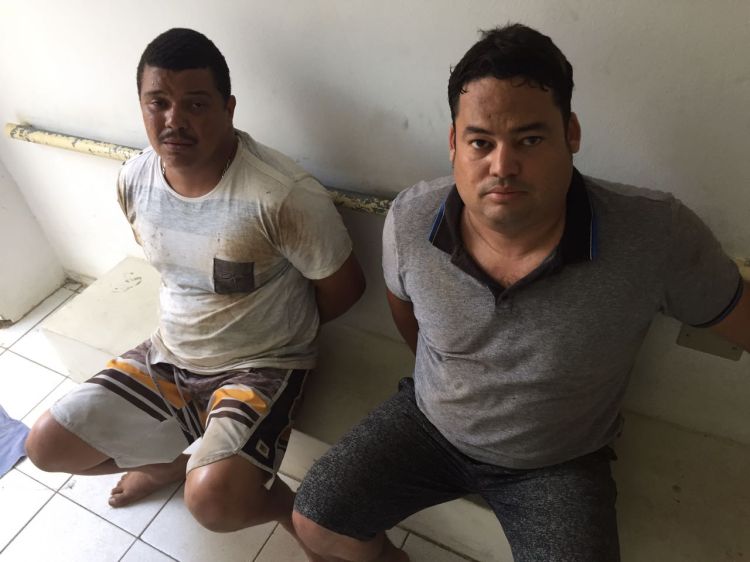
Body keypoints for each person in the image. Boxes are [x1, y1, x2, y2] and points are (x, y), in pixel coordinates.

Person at [292, 23, 750, 562]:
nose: (503, 166)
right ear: (454, 144)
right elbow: (406, 310)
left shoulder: (654, 235)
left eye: (530, 139)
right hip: (430, 424)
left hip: (559, 461)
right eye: (480, 142)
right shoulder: (411, 220)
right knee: (315, 520)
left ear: (571, 133)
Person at [25, 28, 365, 556]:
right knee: (45, 445)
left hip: (261, 364)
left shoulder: (280, 195)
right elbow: (175, 271)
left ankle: (287, 512)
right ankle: (168, 465)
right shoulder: (135, 178)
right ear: (142, 105)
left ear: (228, 108)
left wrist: (278, 331)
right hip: (169, 354)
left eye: (196, 104)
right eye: (157, 103)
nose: (173, 120)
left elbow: (345, 289)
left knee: (211, 502)